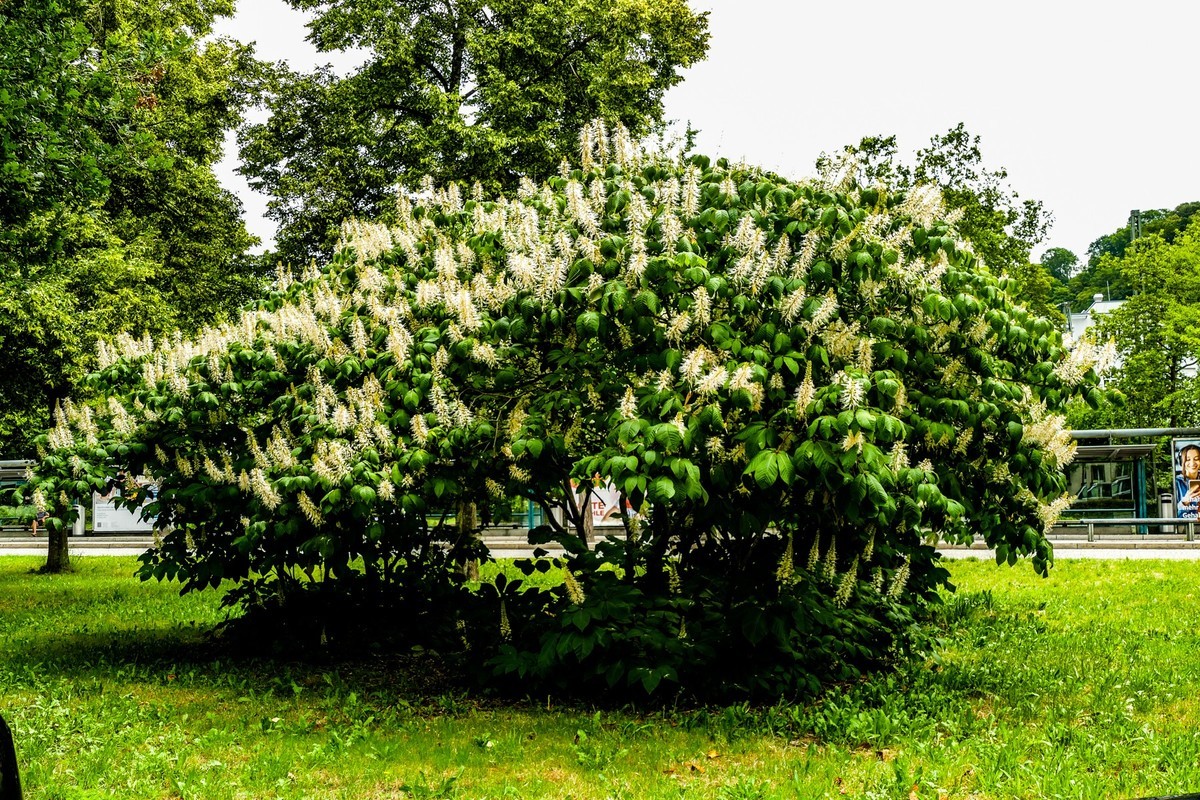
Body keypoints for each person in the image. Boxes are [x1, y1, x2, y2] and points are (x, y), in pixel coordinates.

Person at [1174, 444, 1200, 519]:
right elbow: (1173, 516)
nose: (1192, 463)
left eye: (1196, 459)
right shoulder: (1177, 483)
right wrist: (1184, 502)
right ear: (1181, 462)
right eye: (1188, 459)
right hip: (1184, 529)